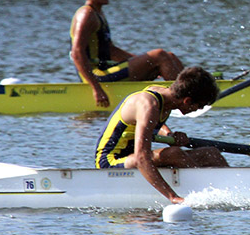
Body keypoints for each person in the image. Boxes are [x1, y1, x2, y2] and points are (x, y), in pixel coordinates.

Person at [94, 66, 228, 204]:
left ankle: (229, 191)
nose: (198, 110)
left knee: (211, 154)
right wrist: (172, 197)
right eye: (199, 106)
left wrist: (170, 135)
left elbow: (152, 123)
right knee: (173, 153)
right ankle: (201, 193)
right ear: (187, 101)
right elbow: (141, 157)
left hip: (133, 157)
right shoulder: (148, 106)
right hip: (111, 161)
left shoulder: (164, 95)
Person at [70, 0, 185, 108]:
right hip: (97, 76)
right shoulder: (86, 15)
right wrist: (96, 89)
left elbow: (111, 51)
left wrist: (143, 63)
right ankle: (184, 99)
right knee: (160, 55)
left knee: (168, 56)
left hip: (107, 69)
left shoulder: (98, 13)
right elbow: (77, 53)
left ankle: (189, 90)